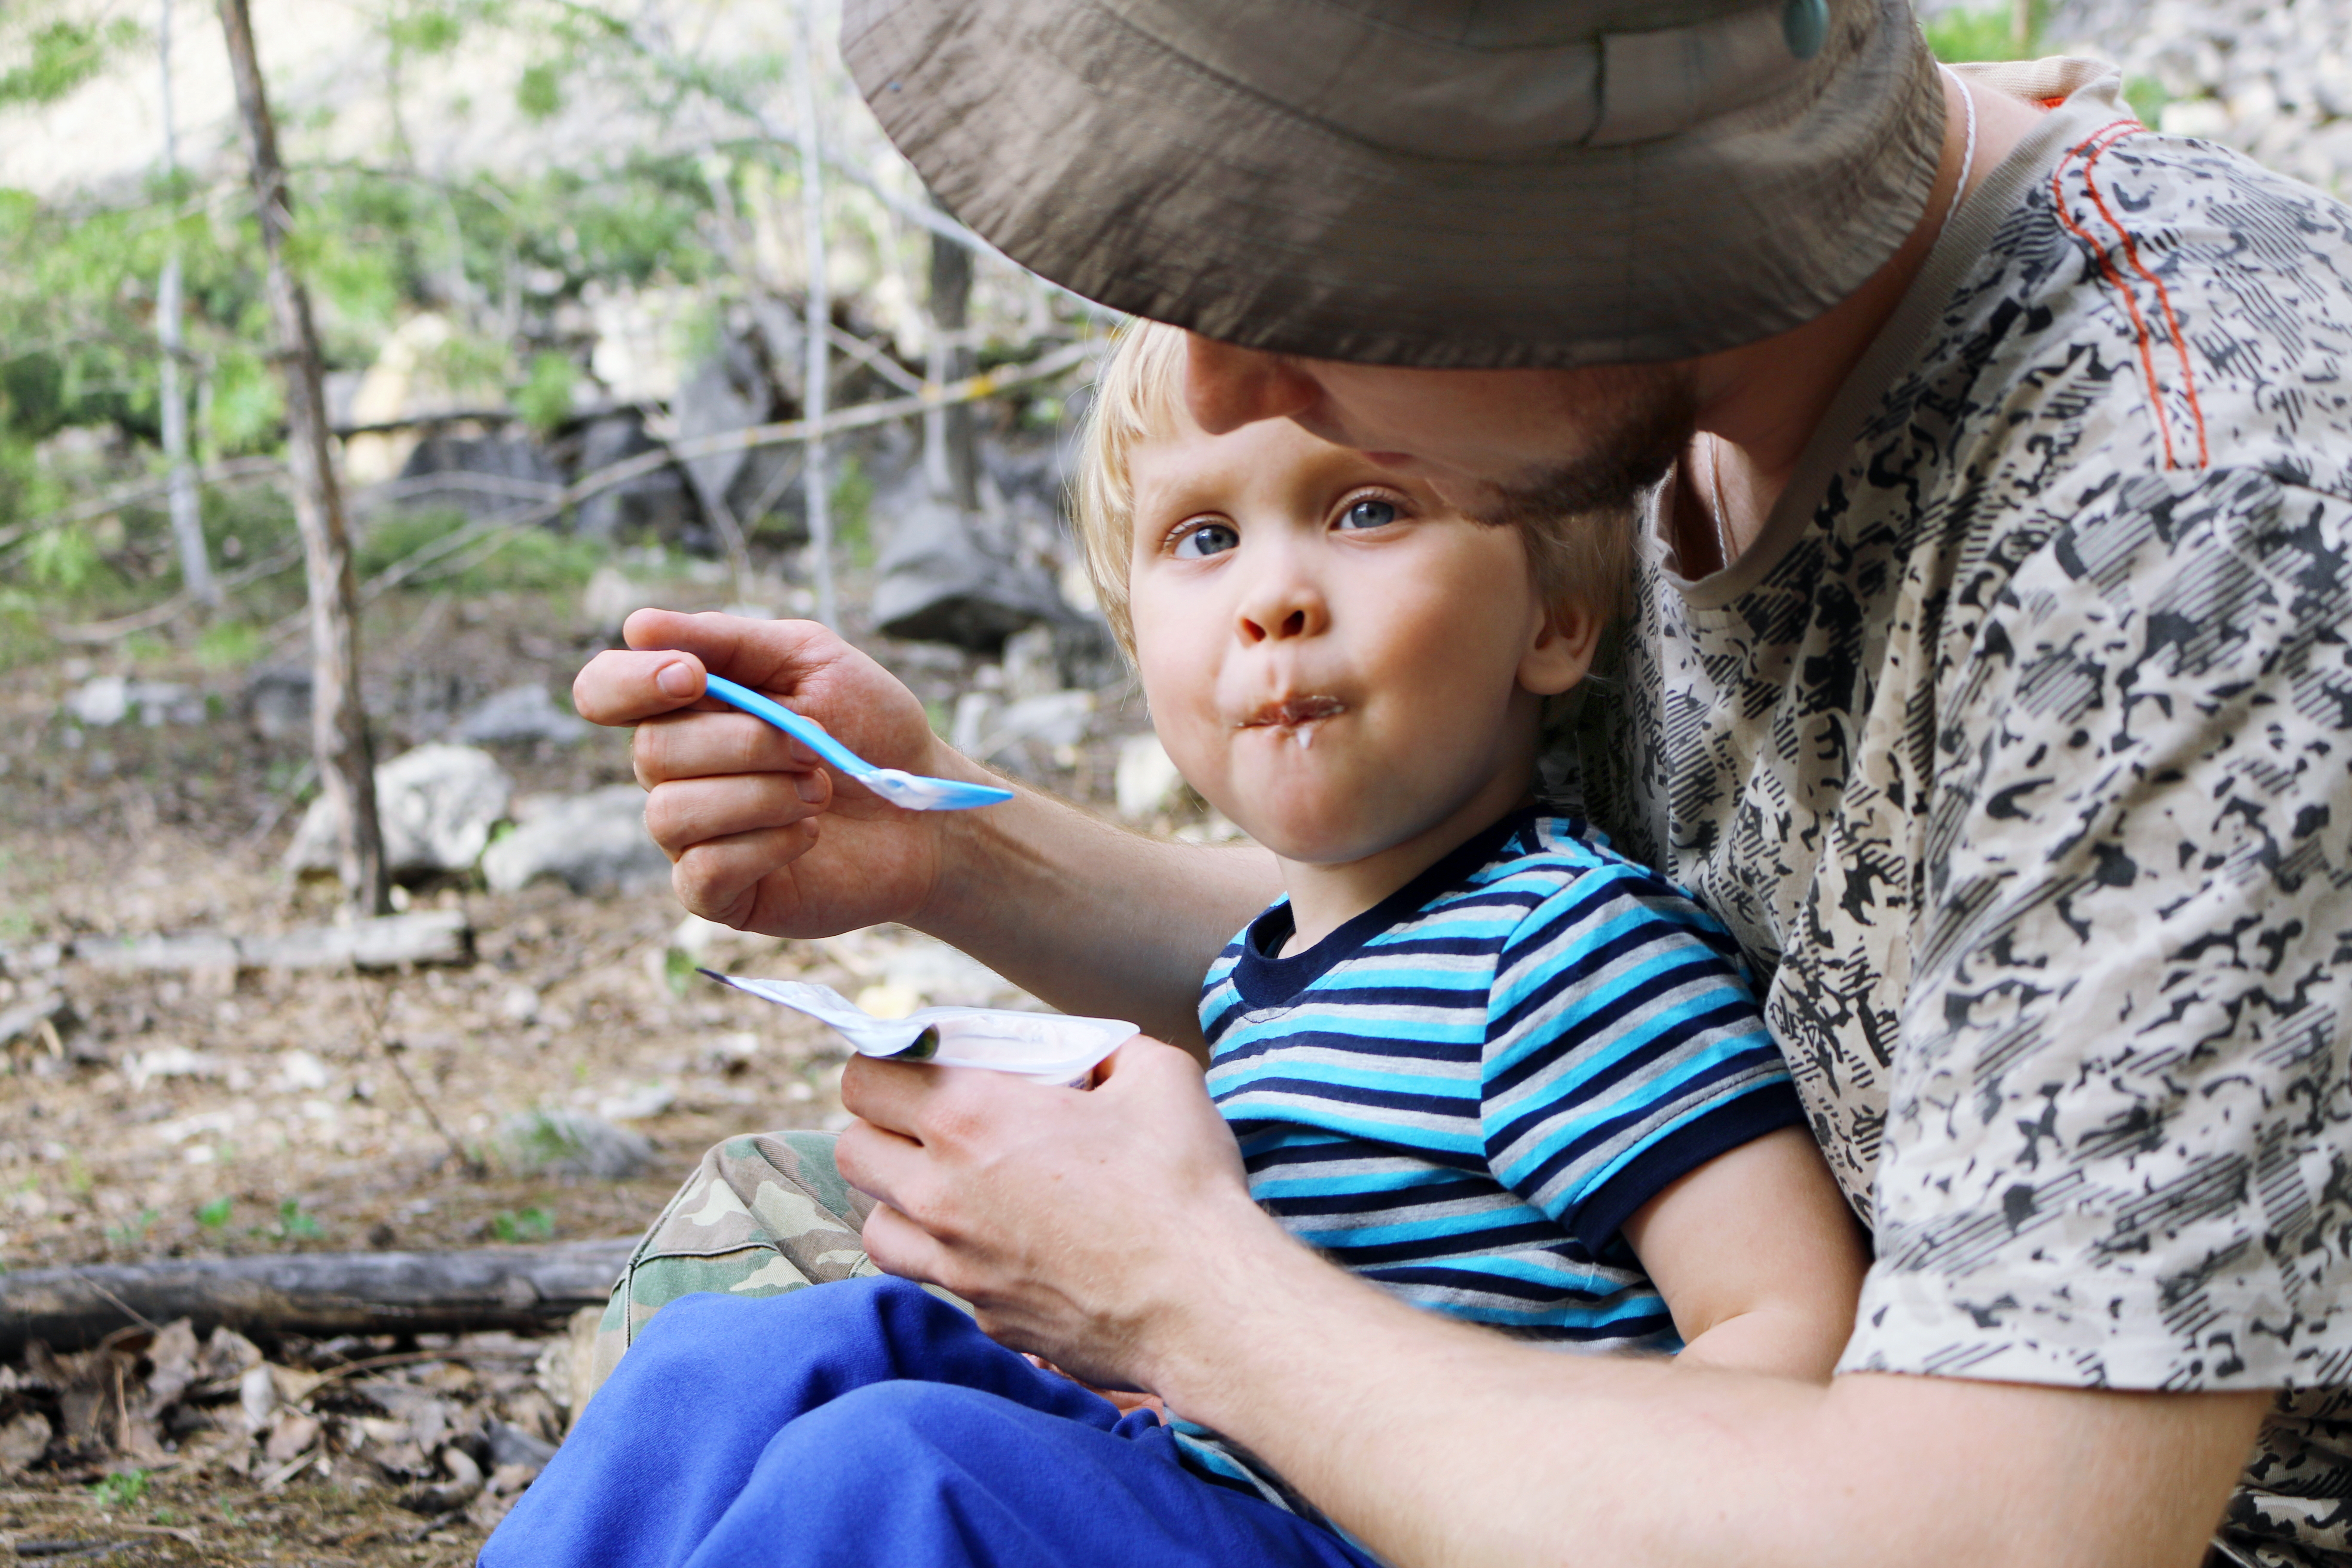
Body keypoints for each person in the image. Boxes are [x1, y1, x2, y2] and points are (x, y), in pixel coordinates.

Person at [541, 0, 2352, 1562]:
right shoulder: (1622, 381)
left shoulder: (2194, 519)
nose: (1225, 375)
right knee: (745, 1351)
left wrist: (1185, 1291)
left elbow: (1993, 1539)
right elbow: (1428, 963)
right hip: (1508, 1420)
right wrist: (942, 841)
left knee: (895, 1481)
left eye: (1294, 250)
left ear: (1594, 182)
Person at [484, 319, 1871, 1564]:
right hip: (1222, 1481)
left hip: (1411, 1526)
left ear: (1557, 616)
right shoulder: (1258, 968)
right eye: (1204, 540)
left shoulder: (1569, 953)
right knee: (760, 1360)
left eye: (1369, 507)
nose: (1274, 595)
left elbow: (1792, 1352)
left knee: (898, 1475)